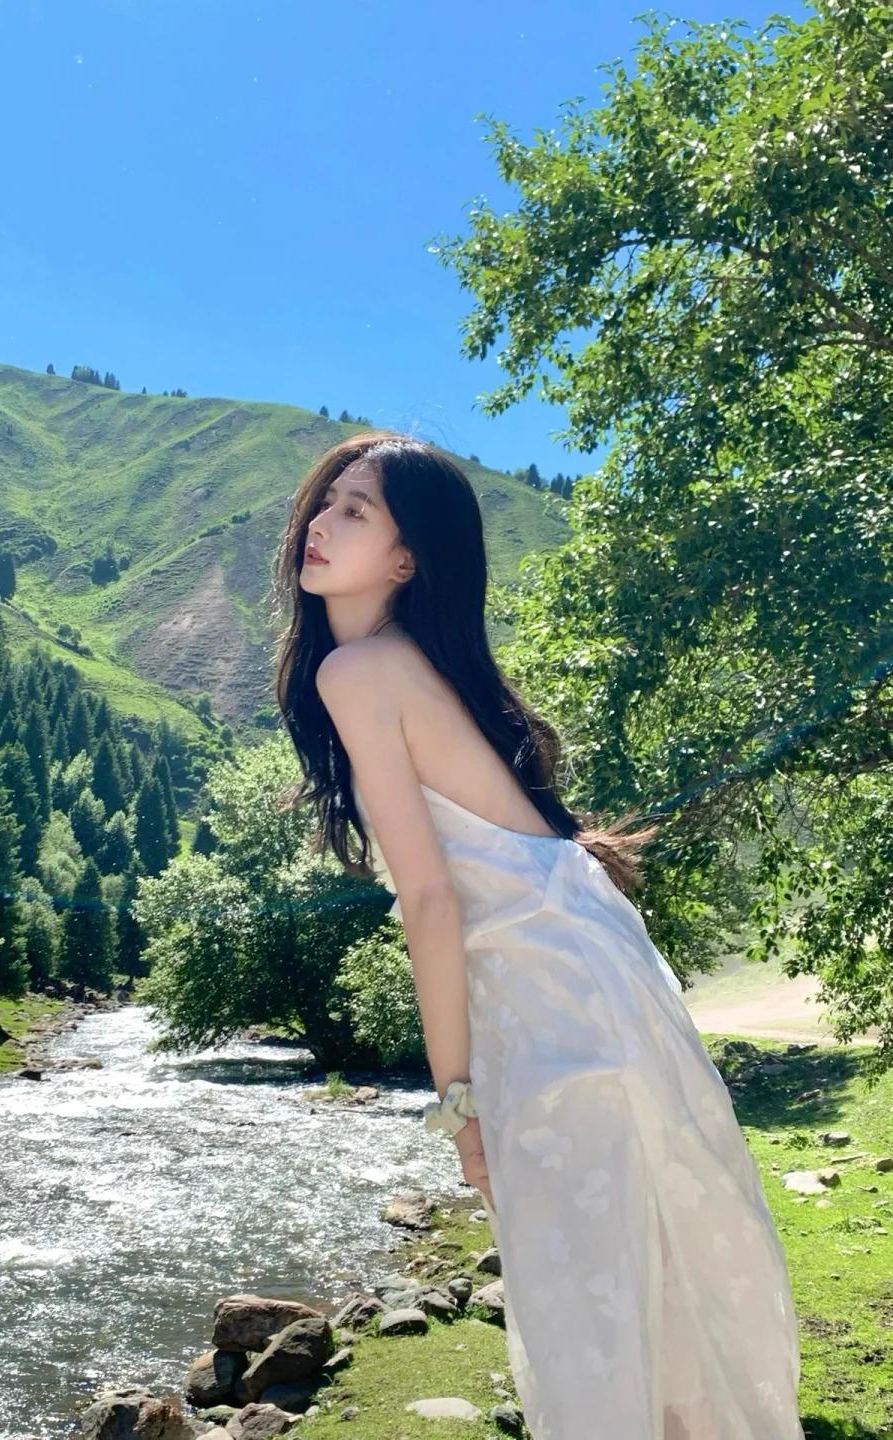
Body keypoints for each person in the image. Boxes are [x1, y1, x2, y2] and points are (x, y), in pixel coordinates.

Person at [271, 431, 807, 1439]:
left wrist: (456, 1105)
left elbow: (431, 901)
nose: (321, 524)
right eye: (326, 501)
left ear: (407, 558)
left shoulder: (361, 671)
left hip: (555, 999)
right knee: (644, 1284)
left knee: (593, 1300)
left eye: (356, 509)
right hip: (586, 971)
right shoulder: (398, 665)